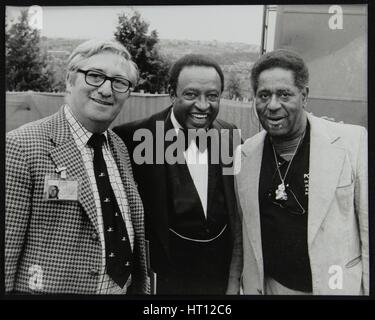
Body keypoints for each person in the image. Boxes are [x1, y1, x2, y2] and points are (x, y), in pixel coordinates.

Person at [6, 39, 149, 294]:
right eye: (95, 76)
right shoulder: (22, 146)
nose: (106, 90)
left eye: (119, 82)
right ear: (70, 80)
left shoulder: (120, 148)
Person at [234, 49, 368, 295]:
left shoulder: (353, 142)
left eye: (284, 94)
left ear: (304, 96)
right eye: (264, 95)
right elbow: (242, 240)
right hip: (270, 288)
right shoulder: (244, 155)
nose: (273, 105)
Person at [113, 54, 242, 294]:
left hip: (217, 281)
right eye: (191, 94)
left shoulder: (229, 135)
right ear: (172, 94)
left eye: (212, 96)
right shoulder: (131, 138)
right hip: (162, 283)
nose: (203, 105)